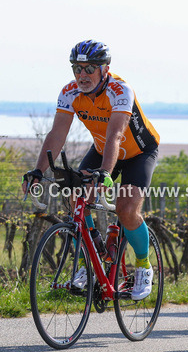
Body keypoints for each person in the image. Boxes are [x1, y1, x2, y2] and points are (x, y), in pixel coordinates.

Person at [23, 40, 160, 300]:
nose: (82, 75)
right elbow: (56, 134)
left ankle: (143, 266)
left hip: (137, 153)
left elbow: (116, 135)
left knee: (127, 209)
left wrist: (105, 174)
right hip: (101, 149)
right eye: (77, 68)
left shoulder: (121, 90)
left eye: (89, 69)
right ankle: (90, 258)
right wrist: (38, 171)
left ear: (104, 69)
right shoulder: (69, 92)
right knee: (75, 197)